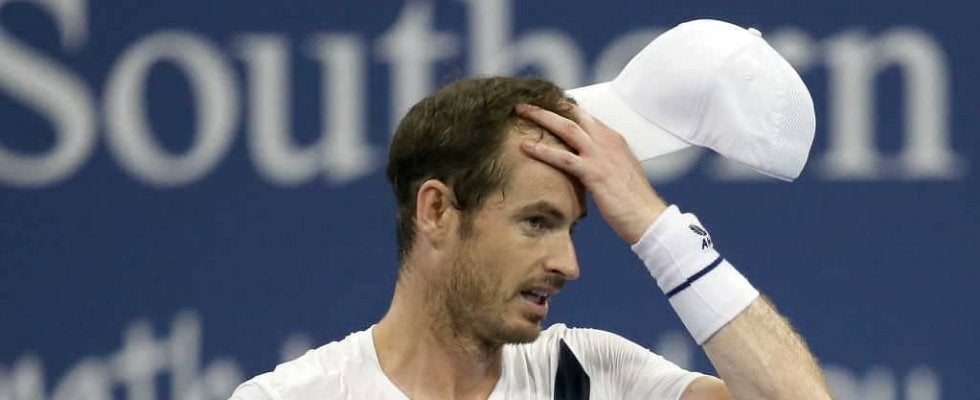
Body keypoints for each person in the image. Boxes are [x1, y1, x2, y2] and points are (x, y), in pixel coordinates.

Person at [228, 77, 832, 399]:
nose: (568, 264)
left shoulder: (589, 376)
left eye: (572, 228)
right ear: (437, 211)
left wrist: (655, 225)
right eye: (537, 222)